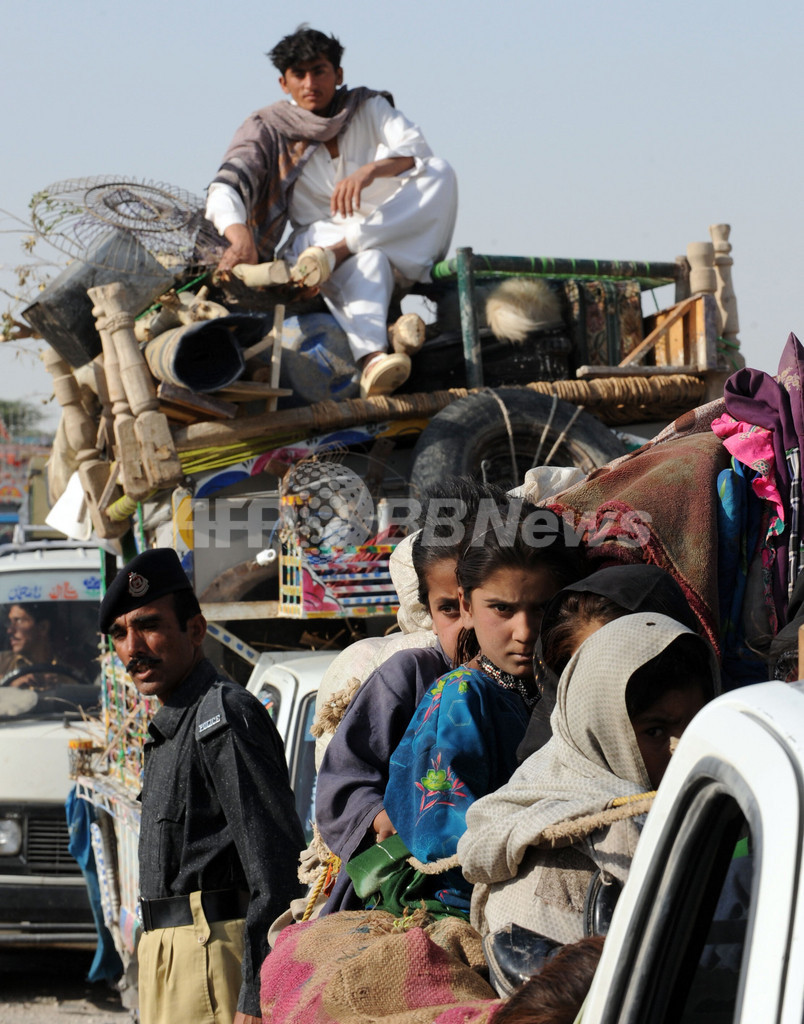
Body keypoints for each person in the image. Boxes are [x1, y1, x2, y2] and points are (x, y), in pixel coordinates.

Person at [98, 549, 306, 1024]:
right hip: (169, 955)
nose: (133, 647)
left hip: (212, 958)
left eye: (148, 626)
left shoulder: (222, 718)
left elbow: (275, 867)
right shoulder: (174, 725)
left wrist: (256, 994)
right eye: (120, 634)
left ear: (195, 630)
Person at [347, 506, 583, 918]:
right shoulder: (461, 697)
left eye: (542, 608)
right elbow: (445, 844)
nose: (525, 631)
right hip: (465, 906)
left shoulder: (557, 687)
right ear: (467, 606)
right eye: (502, 609)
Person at [205, 25, 458, 399]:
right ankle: (373, 360)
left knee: (440, 172)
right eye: (299, 74)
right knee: (370, 260)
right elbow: (227, 185)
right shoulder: (268, 129)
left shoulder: (367, 107)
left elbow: (416, 149)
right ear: (283, 83)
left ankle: (344, 249)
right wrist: (239, 236)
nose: (310, 83)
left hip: (389, 233)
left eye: (319, 71)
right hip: (319, 240)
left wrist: (370, 171)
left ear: (338, 74)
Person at [458, 612, 718, 956]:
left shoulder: (724, 801)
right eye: (655, 731)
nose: (682, 748)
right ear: (602, 730)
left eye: (698, 723)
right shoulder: (556, 857)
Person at [519, 564, 701, 759]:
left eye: (624, 661)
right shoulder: (546, 769)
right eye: (591, 668)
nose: (611, 687)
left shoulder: (716, 731)